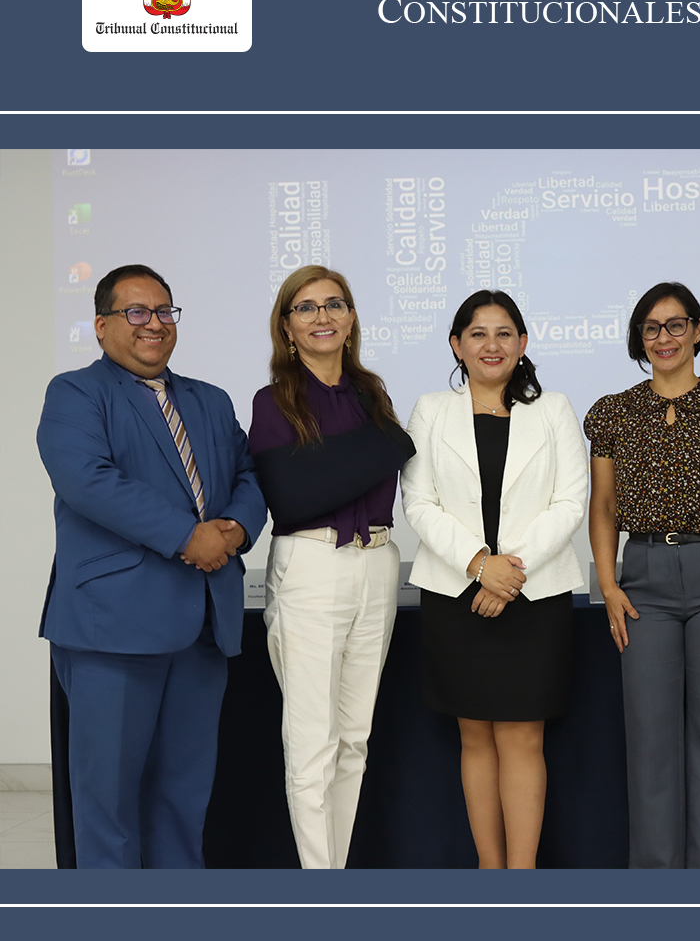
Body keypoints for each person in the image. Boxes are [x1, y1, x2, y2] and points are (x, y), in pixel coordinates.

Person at [37, 264, 266, 869]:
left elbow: (248, 474)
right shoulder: (75, 393)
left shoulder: (210, 400)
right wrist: (187, 536)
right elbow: (88, 480)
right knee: (108, 802)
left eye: (164, 311)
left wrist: (236, 528)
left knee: (183, 798)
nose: (154, 324)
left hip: (203, 626)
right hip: (112, 629)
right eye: (136, 312)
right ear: (101, 325)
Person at [584, 281, 700, 869]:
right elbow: (603, 506)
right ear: (639, 338)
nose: (663, 337)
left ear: (697, 330)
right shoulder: (613, 412)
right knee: (651, 742)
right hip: (642, 578)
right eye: (651, 328)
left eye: (675, 324)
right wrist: (608, 585)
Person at [400, 290, 588, 870]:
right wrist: (481, 566)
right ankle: (489, 872)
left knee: (523, 737)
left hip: (535, 594)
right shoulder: (431, 410)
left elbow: (570, 500)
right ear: (456, 345)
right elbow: (419, 502)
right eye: (477, 334)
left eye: (504, 333)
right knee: (475, 735)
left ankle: (521, 879)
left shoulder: (553, 409)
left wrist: (508, 572)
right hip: (456, 592)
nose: (492, 345)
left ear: (523, 343)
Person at [248, 265, 414, 869]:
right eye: (306, 307)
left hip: (377, 565)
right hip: (313, 567)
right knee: (312, 745)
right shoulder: (275, 401)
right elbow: (293, 498)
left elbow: (347, 472)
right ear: (286, 327)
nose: (322, 316)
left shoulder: (372, 393)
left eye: (334, 304)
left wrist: (337, 462)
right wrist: (385, 446)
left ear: (351, 318)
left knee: (354, 741)